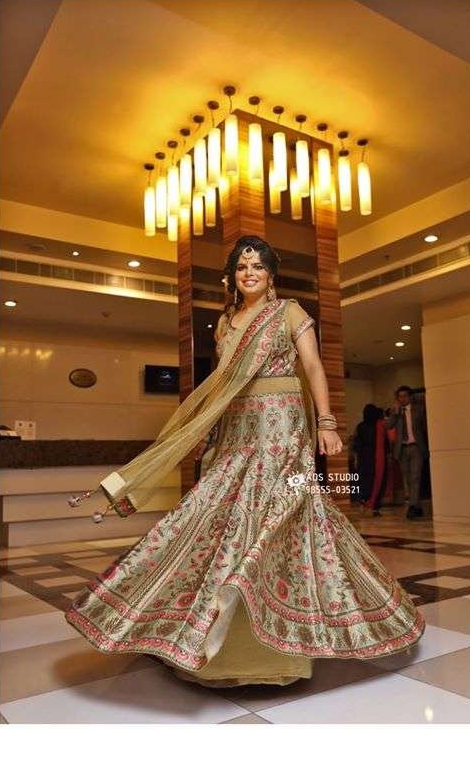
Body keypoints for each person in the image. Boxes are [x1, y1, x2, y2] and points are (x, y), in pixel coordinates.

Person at [64, 236, 425, 687]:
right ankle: (207, 628)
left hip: (282, 425)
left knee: (280, 512)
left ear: (271, 273)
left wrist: (327, 422)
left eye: (257, 266)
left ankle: (286, 637)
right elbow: (224, 384)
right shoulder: (225, 322)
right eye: (241, 267)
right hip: (238, 425)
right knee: (221, 511)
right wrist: (211, 432)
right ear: (232, 277)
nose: (249, 273)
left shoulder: (289, 312)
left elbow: (313, 366)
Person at [385, 386, 429, 519]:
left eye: (404, 396)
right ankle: (417, 506)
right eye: (400, 396)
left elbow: (425, 427)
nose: (402, 399)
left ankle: (412, 506)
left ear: (410, 397)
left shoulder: (418, 410)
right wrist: (395, 413)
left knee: (415, 476)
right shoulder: (396, 411)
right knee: (408, 478)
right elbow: (388, 426)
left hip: (416, 447)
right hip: (402, 449)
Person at [351, 403, 381, 506]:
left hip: (363, 454)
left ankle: (363, 498)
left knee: (363, 477)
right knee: (374, 477)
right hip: (375, 453)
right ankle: (372, 498)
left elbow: (356, 443)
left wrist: (356, 458)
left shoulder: (360, 426)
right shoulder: (377, 426)